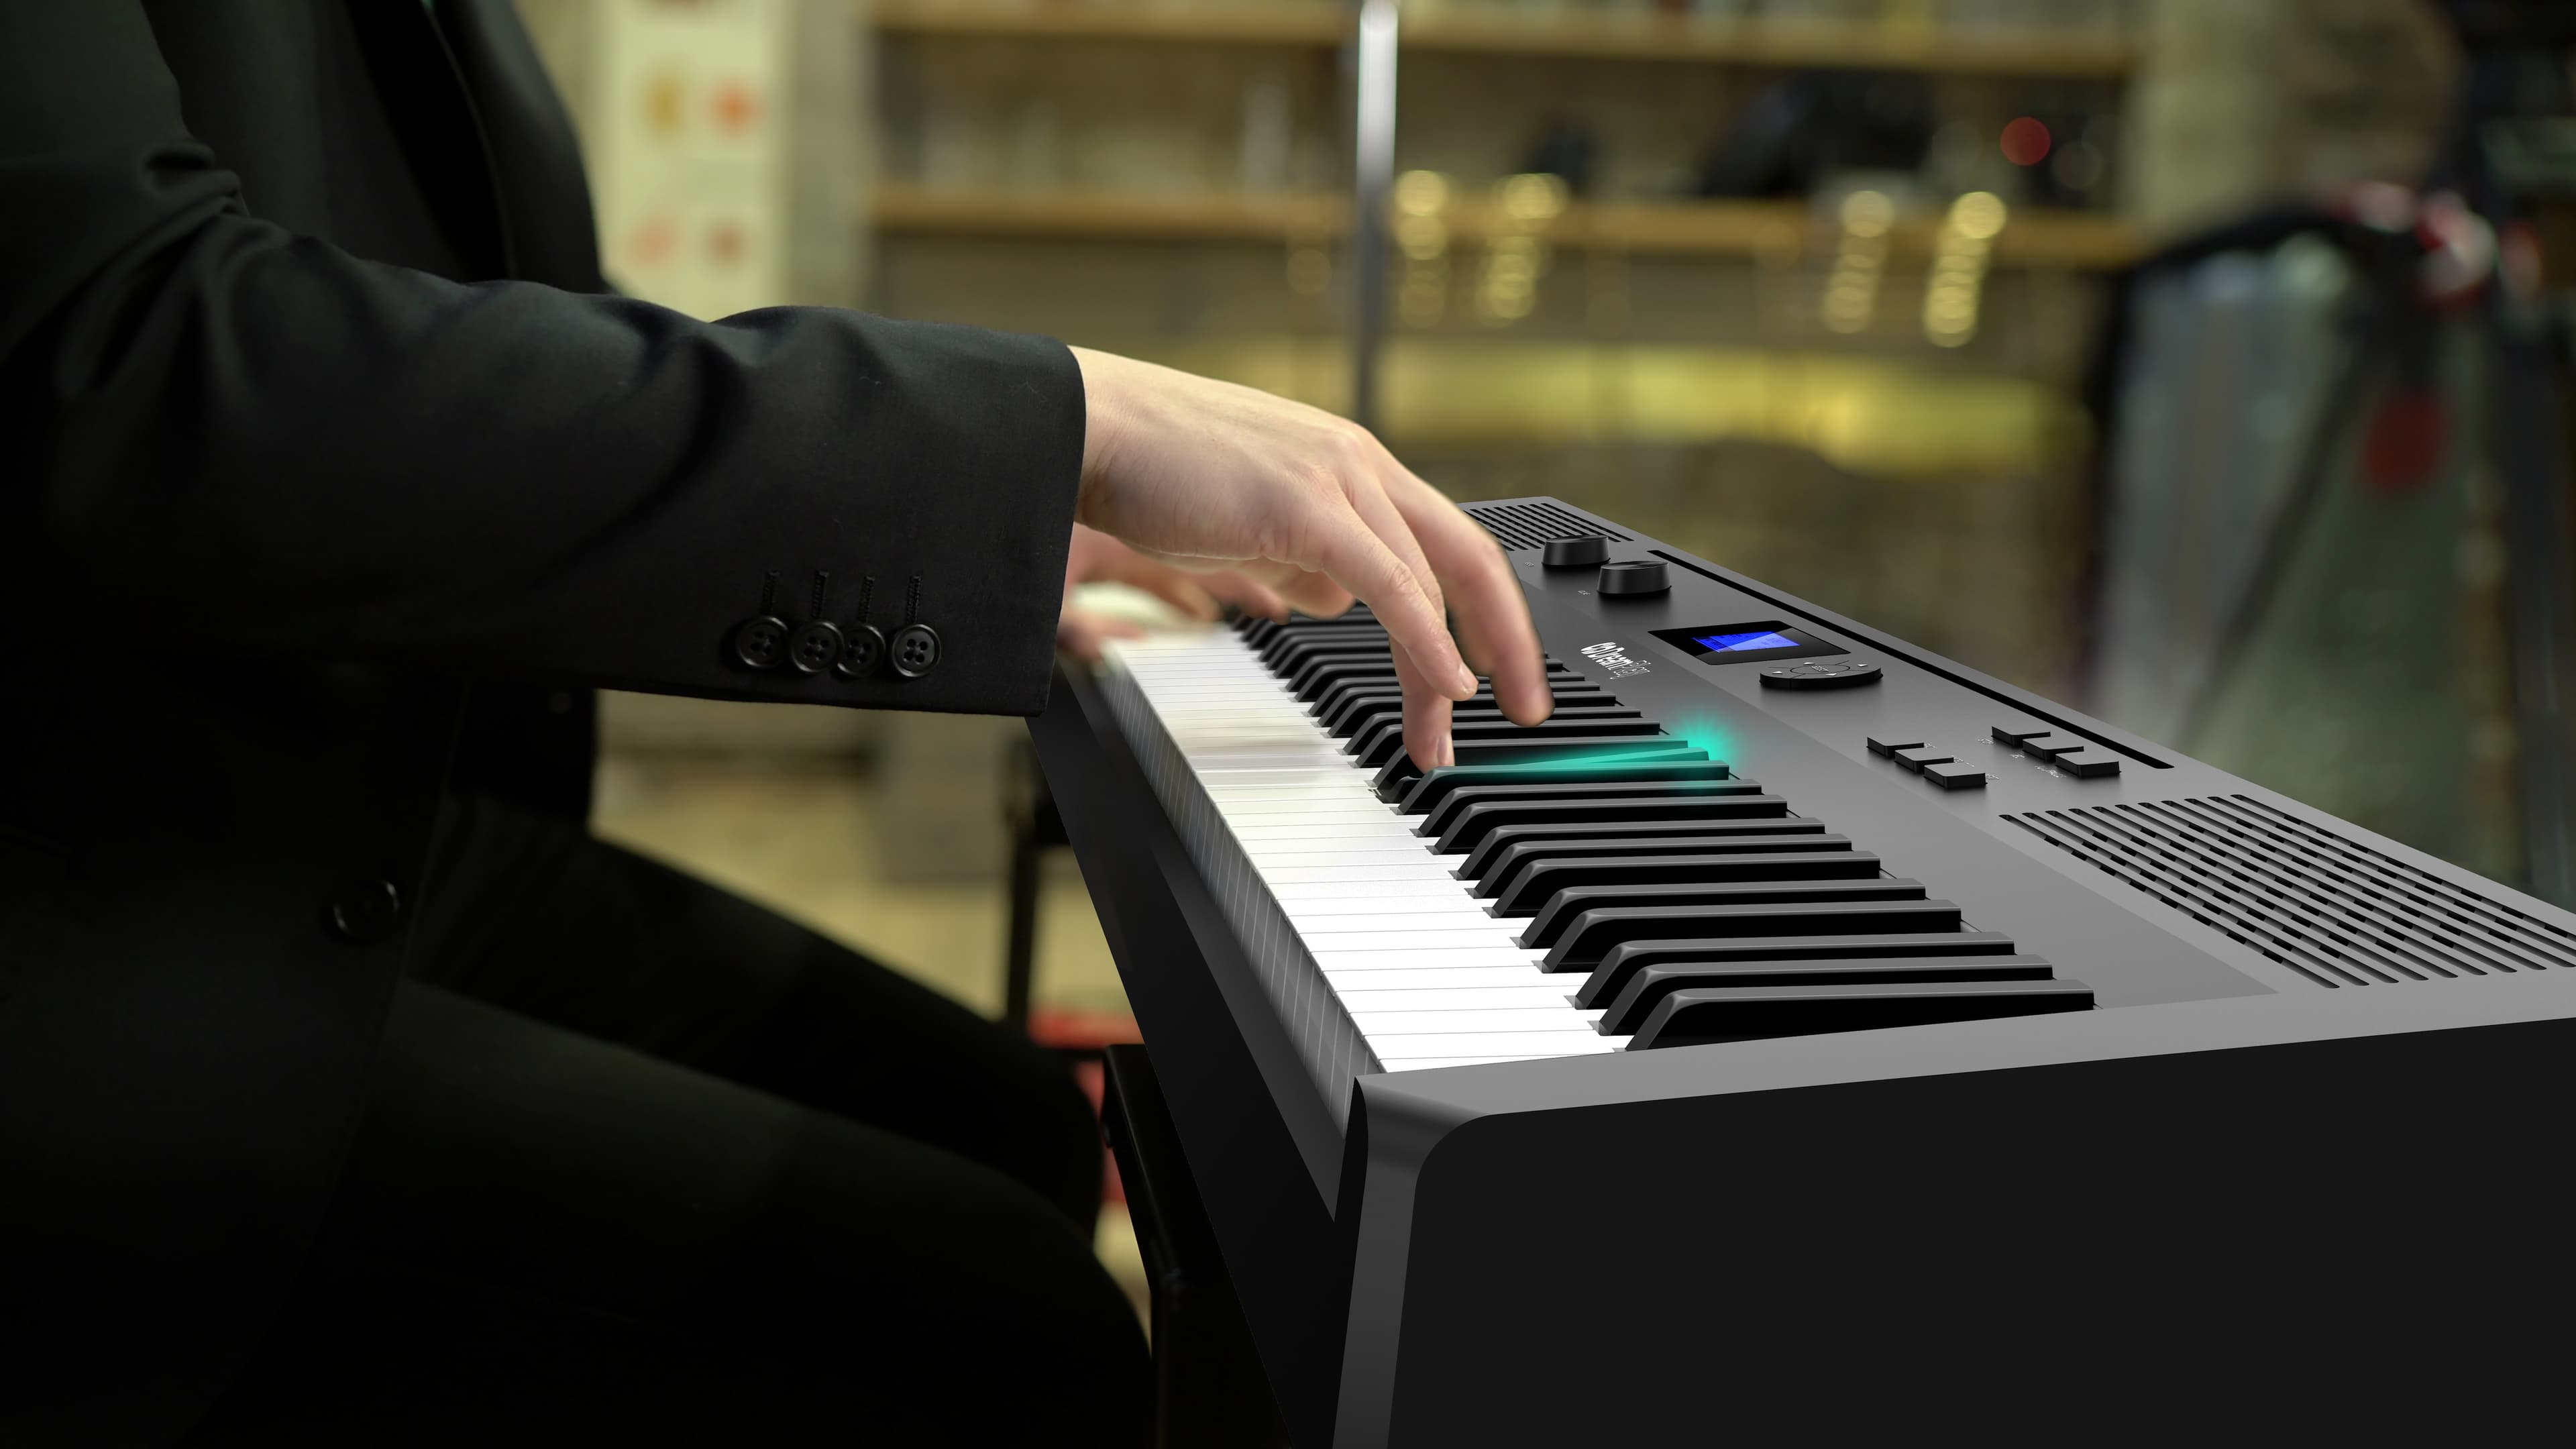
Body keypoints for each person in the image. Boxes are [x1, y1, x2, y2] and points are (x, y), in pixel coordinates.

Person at [0, 2, 1550, 1445]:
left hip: (358, 826)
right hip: (98, 917)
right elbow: (126, 359)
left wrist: (1003, 528)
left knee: (1010, 1118)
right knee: (1014, 1329)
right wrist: (1046, 439)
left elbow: (463, 330)